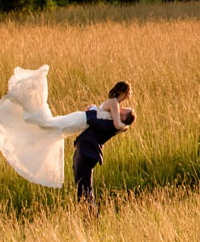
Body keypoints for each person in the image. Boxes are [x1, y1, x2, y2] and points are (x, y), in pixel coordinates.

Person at [28, 81, 134, 210]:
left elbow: (114, 123)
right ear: (123, 92)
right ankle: (31, 119)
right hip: (82, 119)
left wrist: (123, 126)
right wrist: (95, 109)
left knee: (54, 126)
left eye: (126, 111)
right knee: (54, 125)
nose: (124, 108)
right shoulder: (114, 104)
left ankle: (31, 118)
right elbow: (107, 119)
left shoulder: (115, 107)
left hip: (84, 120)